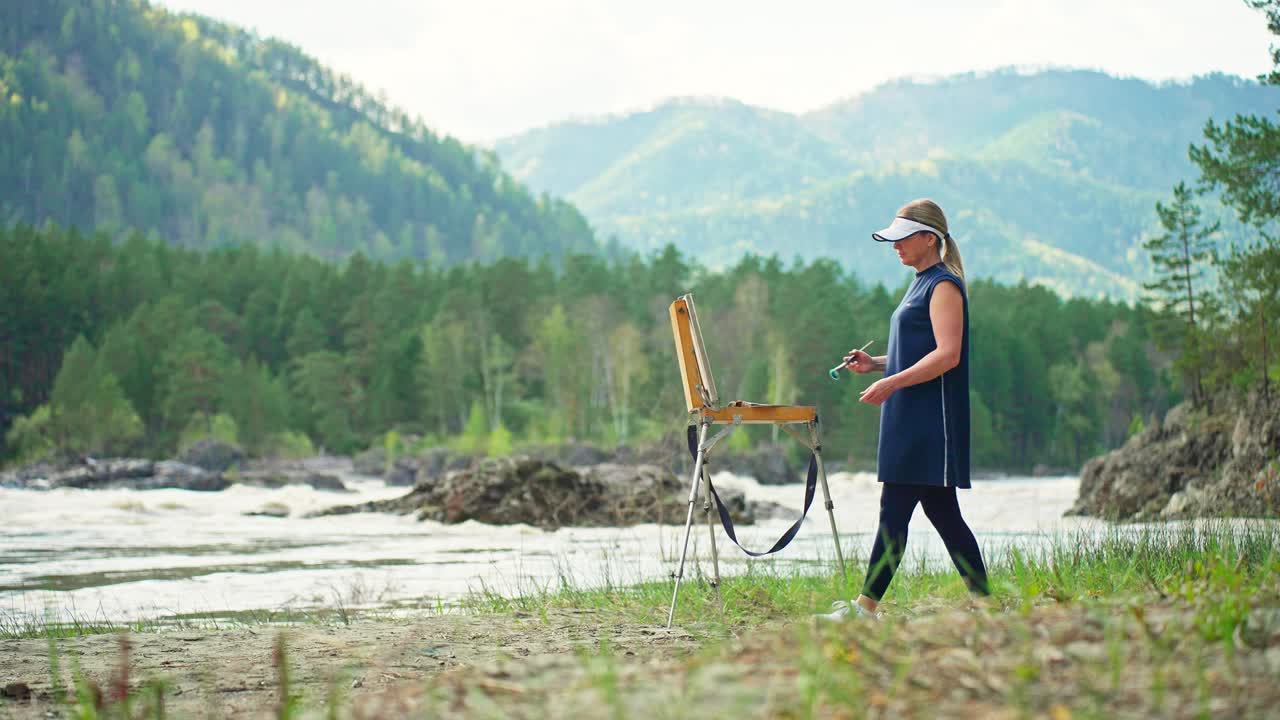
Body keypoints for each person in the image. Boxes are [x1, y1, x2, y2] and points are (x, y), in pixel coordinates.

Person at [821, 198, 990, 621]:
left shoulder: (944, 286)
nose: (895, 247)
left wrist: (891, 381)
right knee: (944, 514)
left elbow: (948, 355)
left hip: (931, 421)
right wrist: (876, 364)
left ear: (929, 239)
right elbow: (919, 350)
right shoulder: (919, 281)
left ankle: (865, 609)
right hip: (910, 417)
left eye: (902, 239)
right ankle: (987, 604)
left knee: (894, 509)